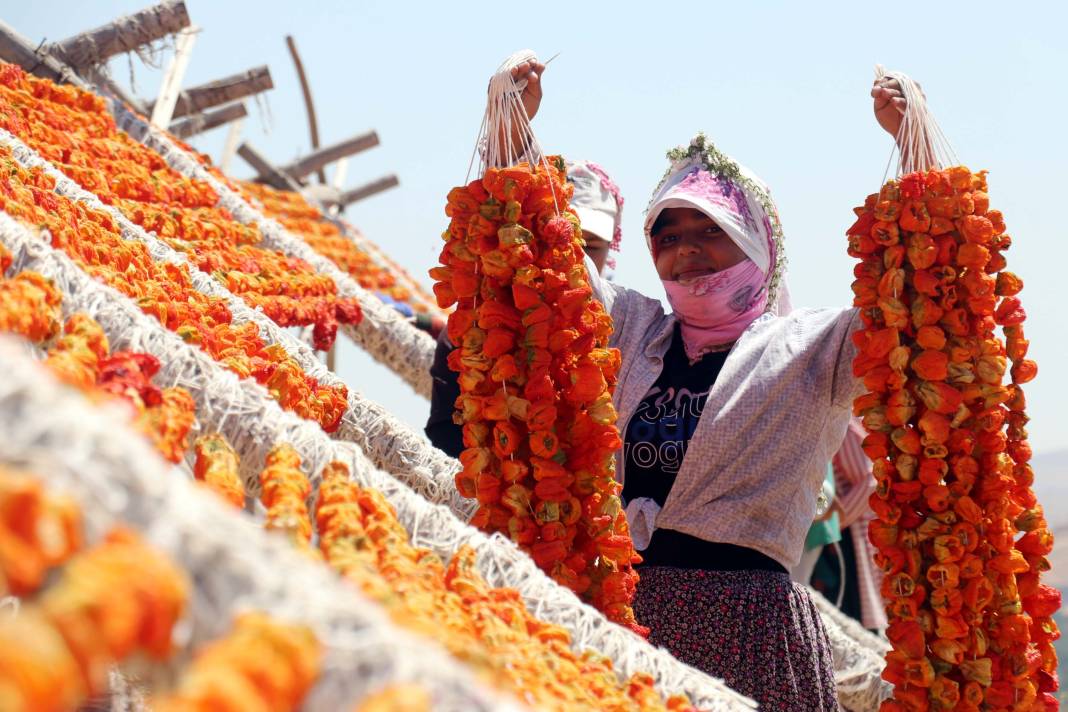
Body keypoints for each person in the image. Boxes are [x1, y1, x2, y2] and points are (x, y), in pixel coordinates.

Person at [492, 59, 911, 709]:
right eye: (668, 234)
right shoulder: (634, 331)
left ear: (756, 240)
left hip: (749, 635)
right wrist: (513, 134)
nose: (685, 249)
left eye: (709, 231)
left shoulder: (811, 349)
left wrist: (913, 148)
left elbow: (912, 306)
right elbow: (548, 262)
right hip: (627, 626)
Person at [425, 158, 625, 457]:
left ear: (611, 248)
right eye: (559, 239)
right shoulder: (472, 331)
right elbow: (448, 440)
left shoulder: (627, 325)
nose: (576, 256)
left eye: (591, 246)